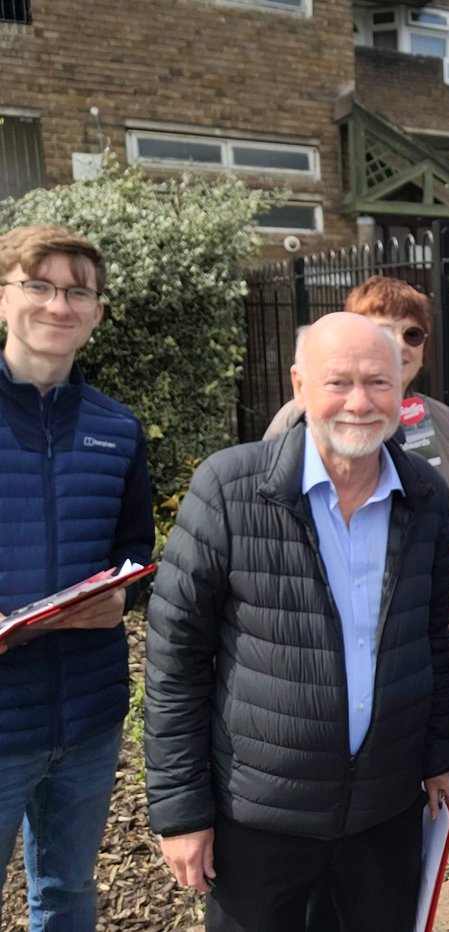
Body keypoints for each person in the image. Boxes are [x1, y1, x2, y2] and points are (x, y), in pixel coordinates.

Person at [145, 312, 449, 932]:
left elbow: (429, 639)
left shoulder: (423, 493)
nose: (360, 402)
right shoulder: (229, 488)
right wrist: (182, 812)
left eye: (378, 382)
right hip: (261, 815)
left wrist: (439, 755)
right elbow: (175, 659)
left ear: (402, 386)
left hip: (383, 812)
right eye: (337, 382)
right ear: (299, 385)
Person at [0, 225, 155, 930]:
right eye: (38, 285)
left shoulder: (118, 428)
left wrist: (121, 598)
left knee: (66, 894)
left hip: (88, 717)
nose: (58, 305)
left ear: (95, 312)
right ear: (5, 296)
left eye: (78, 291)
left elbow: (137, 555)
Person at [264, 275, 449, 636]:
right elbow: (261, 516)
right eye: (381, 332)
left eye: (412, 334)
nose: (398, 345)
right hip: (314, 634)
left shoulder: (444, 421)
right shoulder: (301, 417)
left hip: (420, 637)